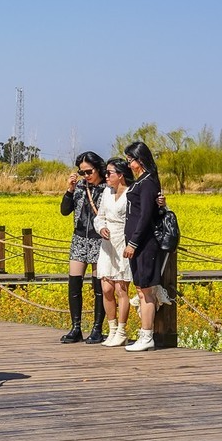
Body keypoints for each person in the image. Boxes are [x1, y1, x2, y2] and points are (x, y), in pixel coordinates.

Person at [58, 151, 107, 343]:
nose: (86, 176)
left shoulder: (107, 188)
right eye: (82, 172)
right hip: (79, 239)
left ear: (98, 169)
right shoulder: (79, 187)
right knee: (74, 284)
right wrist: (69, 190)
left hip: (99, 240)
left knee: (99, 287)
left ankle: (97, 329)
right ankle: (76, 327)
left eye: (89, 172)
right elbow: (64, 211)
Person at [123, 140, 163, 352]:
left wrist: (133, 242)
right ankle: (144, 334)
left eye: (131, 160)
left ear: (141, 160)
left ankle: (147, 335)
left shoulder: (148, 182)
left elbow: (146, 215)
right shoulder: (143, 181)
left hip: (144, 244)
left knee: (146, 291)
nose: (129, 165)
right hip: (138, 244)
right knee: (140, 289)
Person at [95, 157, 134, 347]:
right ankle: (111, 330)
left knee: (121, 289)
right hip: (107, 243)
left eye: (110, 173)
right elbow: (99, 216)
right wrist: (101, 227)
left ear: (120, 175)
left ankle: (122, 330)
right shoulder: (106, 192)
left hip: (122, 242)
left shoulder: (131, 193)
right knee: (106, 288)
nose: (106, 176)